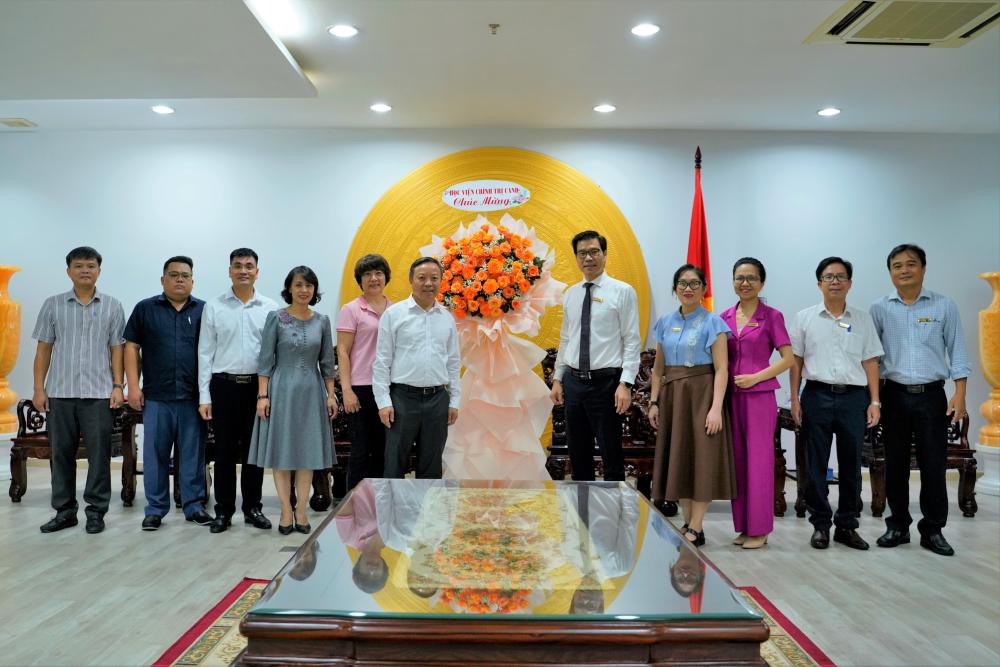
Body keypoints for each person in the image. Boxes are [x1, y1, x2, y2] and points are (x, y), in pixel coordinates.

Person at [870, 244, 970, 557]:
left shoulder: (944, 306)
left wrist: (960, 394)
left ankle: (933, 529)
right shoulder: (880, 309)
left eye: (911, 264)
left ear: (923, 268)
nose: (904, 270)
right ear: (890, 272)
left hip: (932, 396)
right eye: (897, 266)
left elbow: (958, 352)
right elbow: (871, 358)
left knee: (933, 464)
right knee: (895, 465)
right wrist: (873, 399)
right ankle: (898, 525)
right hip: (894, 395)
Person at [790, 256, 883, 551]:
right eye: (828, 277)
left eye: (841, 277)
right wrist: (794, 398)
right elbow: (795, 361)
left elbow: (870, 361)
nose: (835, 281)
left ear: (850, 284)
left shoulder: (862, 318)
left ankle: (847, 525)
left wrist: (875, 401)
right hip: (815, 395)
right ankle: (820, 525)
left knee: (852, 464)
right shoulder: (804, 318)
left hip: (854, 398)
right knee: (815, 464)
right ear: (819, 283)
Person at [32, 246, 125, 534]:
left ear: (99, 270)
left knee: (99, 456)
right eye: (78, 265)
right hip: (60, 393)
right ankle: (64, 511)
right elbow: (44, 349)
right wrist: (39, 388)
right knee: (61, 453)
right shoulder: (53, 304)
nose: (85, 270)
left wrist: (118, 386)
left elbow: (117, 350)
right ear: (69, 270)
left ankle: (96, 512)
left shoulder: (112, 305)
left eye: (90, 266)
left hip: (98, 394)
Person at [647, 264, 735, 547]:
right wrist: (654, 401)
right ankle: (688, 522)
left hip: (703, 396)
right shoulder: (664, 323)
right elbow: (658, 369)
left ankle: (696, 525)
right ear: (674, 289)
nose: (688, 288)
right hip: (673, 398)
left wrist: (715, 407)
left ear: (704, 289)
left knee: (703, 460)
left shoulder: (714, 323)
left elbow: (722, 369)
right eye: (682, 283)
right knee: (681, 460)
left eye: (695, 283)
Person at [124, 256, 213, 530]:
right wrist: (133, 386)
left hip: (191, 397)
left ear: (192, 280)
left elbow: (211, 353)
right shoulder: (145, 309)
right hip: (156, 396)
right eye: (173, 275)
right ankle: (155, 509)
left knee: (192, 455)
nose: (179, 279)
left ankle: (194, 506)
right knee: (155, 455)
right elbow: (131, 347)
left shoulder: (204, 311)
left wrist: (207, 393)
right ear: (163, 279)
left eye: (185, 275)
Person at [248, 266, 336, 535]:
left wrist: (330, 395)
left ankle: (301, 511)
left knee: (307, 454)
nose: (304, 290)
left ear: (314, 290)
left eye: (309, 285)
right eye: (298, 285)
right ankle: (286, 509)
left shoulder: (322, 321)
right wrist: (263, 395)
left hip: (311, 390)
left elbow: (327, 363)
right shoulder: (276, 318)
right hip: (281, 389)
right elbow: (265, 360)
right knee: (282, 452)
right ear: (289, 288)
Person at [198, 248, 279, 533]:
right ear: (229, 270)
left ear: (257, 271)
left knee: (253, 453)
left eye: (249, 266)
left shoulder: (270, 308)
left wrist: (266, 393)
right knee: (224, 452)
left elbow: (273, 354)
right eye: (237, 266)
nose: (243, 270)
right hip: (223, 387)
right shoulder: (215, 306)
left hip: (256, 389)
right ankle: (223, 511)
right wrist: (204, 396)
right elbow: (205, 353)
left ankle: (252, 508)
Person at [550, 231, 641, 482]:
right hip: (574, 383)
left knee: (611, 453)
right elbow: (566, 339)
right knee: (578, 455)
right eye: (582, 253)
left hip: (607, 384)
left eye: (594, 251)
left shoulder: (622, 292)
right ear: (576, 258)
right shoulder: (571, 294)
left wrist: (626, 383)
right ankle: (583, 517)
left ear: (604, 254)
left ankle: (613, 517)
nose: (588, 257)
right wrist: (558, 378)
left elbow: (631, 339)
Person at [719, 258, 793, 549]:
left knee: (759, 462)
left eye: (751, 278)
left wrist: (755, 377)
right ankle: (744, 526)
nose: (744, 283)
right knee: (737, 462)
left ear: (761, 283)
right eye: (739, 277)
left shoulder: (772, 316)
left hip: (759, 397)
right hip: (730, 398)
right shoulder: (723, 316)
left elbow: (787, 359)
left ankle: (760, 529)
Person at [373, 257, 460, 478]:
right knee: (395, 462)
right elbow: (382, 361)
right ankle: (394, 512)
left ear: (441, 281)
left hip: (437, 399)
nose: (428, 283)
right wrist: (383, 402)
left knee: (431, 465)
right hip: (402, 398)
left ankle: (427, 511)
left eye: (434, 278)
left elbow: (453, 362)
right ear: (411, 281)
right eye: (422, 278)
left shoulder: (447, 318)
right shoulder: (394, 315)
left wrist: (454, 401)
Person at [337, 254, 392, 491]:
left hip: (390, 388)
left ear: (385, 277)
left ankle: (379, 503)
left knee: (383, 449)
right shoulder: (351, 309)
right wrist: (347, 390)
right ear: (360, 280)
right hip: (361, 388)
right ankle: (354, 506)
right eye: (367, 274)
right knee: (361, 450)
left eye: (378, 273)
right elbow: (342, 351)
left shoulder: (396, 309)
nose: (373, 278)